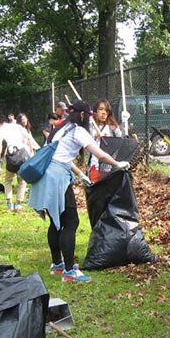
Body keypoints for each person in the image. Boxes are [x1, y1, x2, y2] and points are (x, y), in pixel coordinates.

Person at [28, 100, 131, 283]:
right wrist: (117, 164)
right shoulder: (77, 131)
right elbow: (99, 154)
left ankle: (57, 264)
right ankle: (69, 271)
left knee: (56, 221)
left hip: (47, 175)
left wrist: (80, 174)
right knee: (71, 222)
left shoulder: (59, 128)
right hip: (57, 178)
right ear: (82, 115)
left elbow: (62, 157)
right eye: (88, 116)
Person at [0, 115, 30, 212]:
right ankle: (18, 203)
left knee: (8, 179)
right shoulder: (17, 126)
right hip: (22, 155)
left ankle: (9, 202)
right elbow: (28, 138)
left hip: (11, 156)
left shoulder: (1, 130)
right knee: (22, 180)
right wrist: (30, 152)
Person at [88, 99, 124, 182]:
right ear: (95, 111)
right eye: (100, 109)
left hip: (109, 166)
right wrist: (95, 136)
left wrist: (124, 124)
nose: (103, 113)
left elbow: (122, 140)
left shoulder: (112, 127)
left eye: (106, 111)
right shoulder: (91, 126)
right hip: (94, 165)